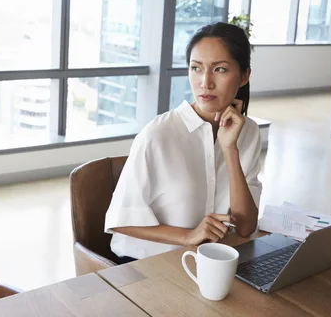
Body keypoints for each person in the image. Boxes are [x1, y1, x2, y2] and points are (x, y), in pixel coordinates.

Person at [104, 22, 263, 263]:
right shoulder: (158, 135)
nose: (205, 82)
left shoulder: (248, 132)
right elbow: (120, 222)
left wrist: (230, 150)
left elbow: (245, 227)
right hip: (145, 265)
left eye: (219, 69)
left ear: (244, 76)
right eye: (196, 68)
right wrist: (189, 236)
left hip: (205, 260)